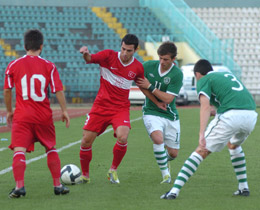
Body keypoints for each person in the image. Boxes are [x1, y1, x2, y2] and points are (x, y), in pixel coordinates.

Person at [161, 59, 258, 199]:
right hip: (251, 115)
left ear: (197, 74)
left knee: (201, 150)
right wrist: (217, 112)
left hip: (231, 116)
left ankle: (173, 192)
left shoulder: (204, 79)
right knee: (233, 144)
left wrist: (201, 133)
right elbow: (233, 98)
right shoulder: (225, 75)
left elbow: (205, 106)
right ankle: (243, 188)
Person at [4, 29, 70, 198]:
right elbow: (58, 90)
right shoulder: (49, 65)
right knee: (50, 148)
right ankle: (57, 185)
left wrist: (10, 111)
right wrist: (64, 111)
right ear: (42, 46)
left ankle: (19, 187)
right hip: (43, 116)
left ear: (25, 45)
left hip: (22, 116)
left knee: (19, 150)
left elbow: (7, 90)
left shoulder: (13, 65)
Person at [79, 34, 147, 184]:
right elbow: (90, 59)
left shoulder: (137, 67)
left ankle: (113, 170)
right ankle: (85, 175)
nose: (124, 53)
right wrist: (85, 54)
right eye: (123, 49)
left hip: (120, 108)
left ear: (135, 50)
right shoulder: (108, 55)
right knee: (86, 141)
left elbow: (144, 86)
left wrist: (156, 100)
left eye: (129, 50)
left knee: (123, 137)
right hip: (100, 106)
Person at [136, 41, 183, 184]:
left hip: (170, 115)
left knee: (173, 154)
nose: (162, 62)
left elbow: (168, 99)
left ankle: (164, 159)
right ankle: (166, 176)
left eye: (166, 59)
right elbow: (140, 84)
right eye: (160, 58)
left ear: (173, 59)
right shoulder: (148, 66)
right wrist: (155, 101)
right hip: (151, 111)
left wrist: (150, 86)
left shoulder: (177, 74)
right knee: (158, 139)